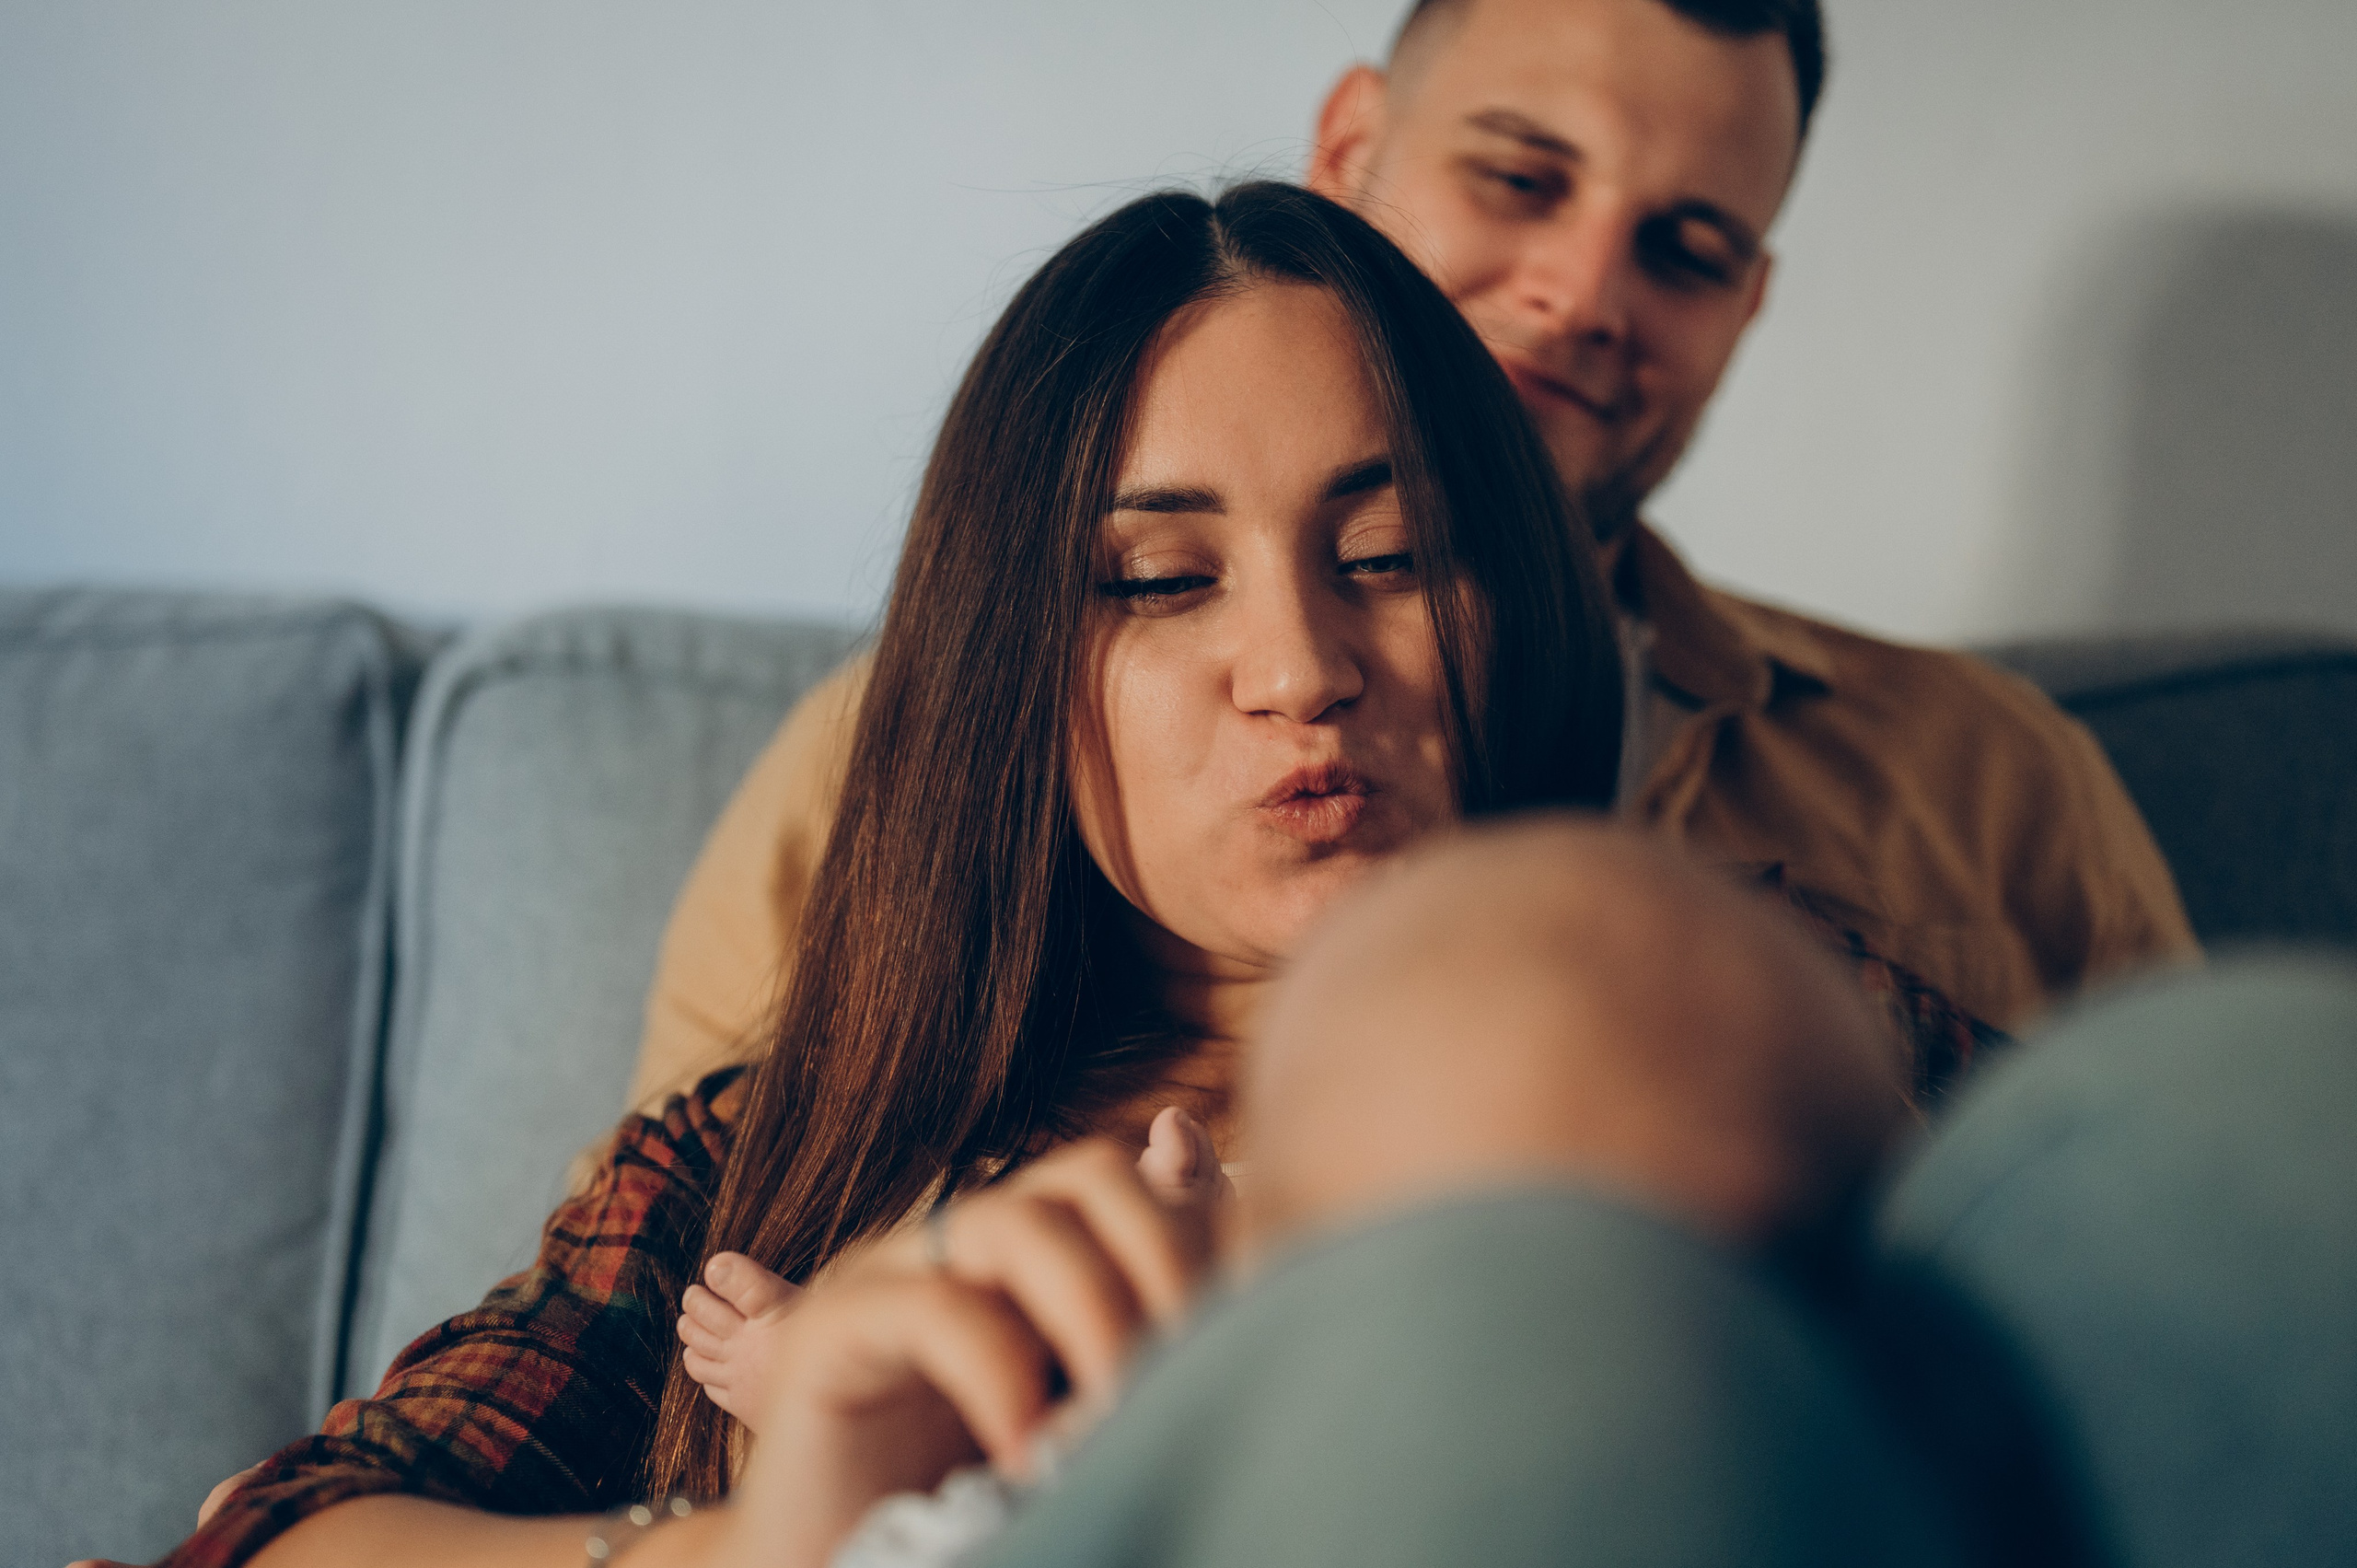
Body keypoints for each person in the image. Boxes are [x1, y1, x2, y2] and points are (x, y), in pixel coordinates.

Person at [139, 180, 1643, 1568]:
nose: (1304, 671)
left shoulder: (1733, 1041)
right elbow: (285, 1532)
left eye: (1388, 553)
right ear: (1011, 668)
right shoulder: (755, 1165)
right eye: (1163, 582)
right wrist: (790, 1529)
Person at [621, 0, 2198, 1133]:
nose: (1585, 293)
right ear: (1353, 148)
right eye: (1520, 178)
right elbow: (713, 1289)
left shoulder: (1995, 785)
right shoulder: (905, 774)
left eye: (1687, 250)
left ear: (1749, 306)